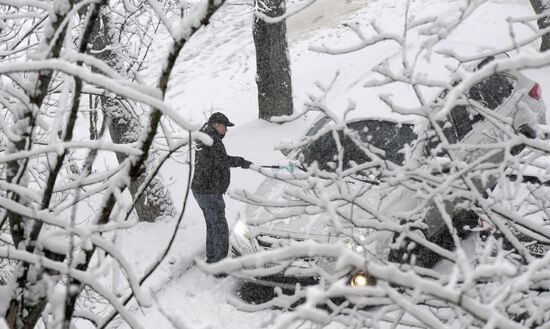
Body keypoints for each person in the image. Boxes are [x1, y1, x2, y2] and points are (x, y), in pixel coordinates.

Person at [191, 112, 252, 267]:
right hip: (209, 191)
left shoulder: (205, 137)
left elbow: (218, 161)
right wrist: (242, 162)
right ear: (216, 125)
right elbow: (222, 161)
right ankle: (220, 265)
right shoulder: (212, 141)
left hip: (201, 189)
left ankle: (213, 259)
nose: (226, 130)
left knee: (213, 225)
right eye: (225, 126)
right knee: (220, 228)